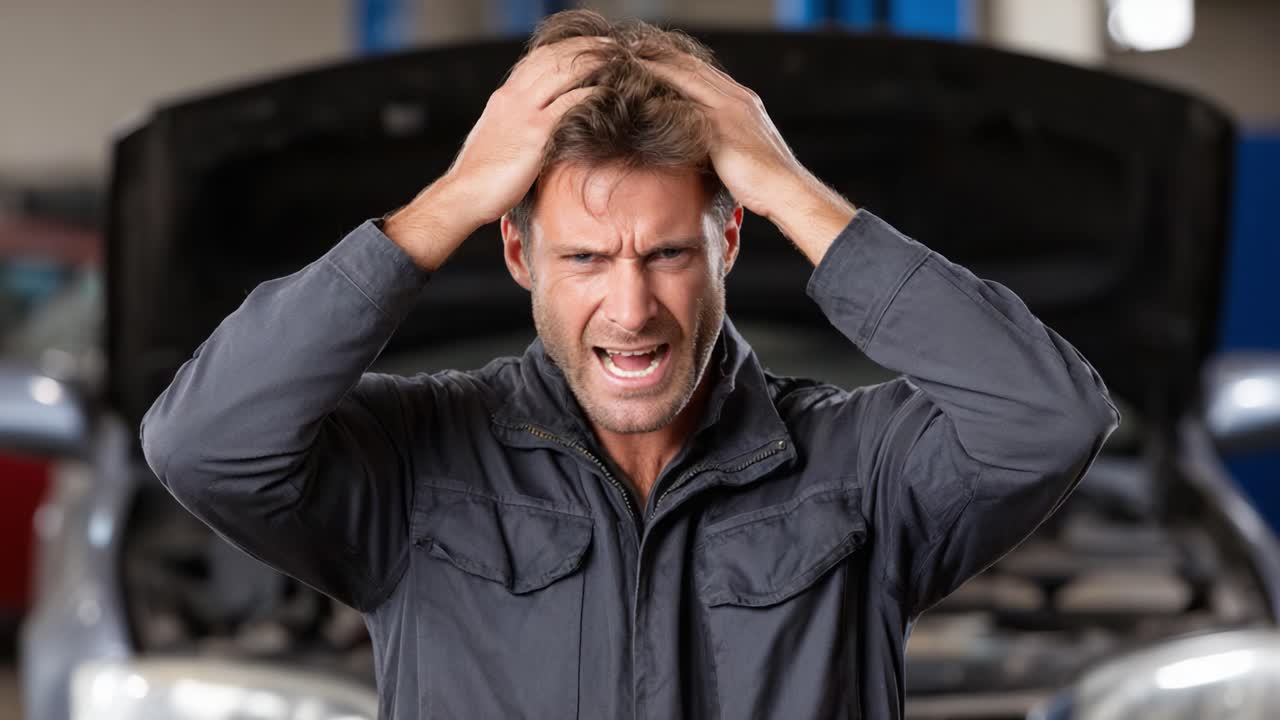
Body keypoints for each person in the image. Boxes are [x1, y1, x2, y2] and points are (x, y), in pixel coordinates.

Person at [141, 9, 1119, 719]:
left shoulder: (858, 469)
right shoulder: (414, 468)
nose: (631, 307)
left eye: (667, 253)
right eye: (583, 258)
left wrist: (791, 188)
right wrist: (453, 199)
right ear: (517, 253)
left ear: (728, 240)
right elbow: (204, 443)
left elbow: (1050, 419)